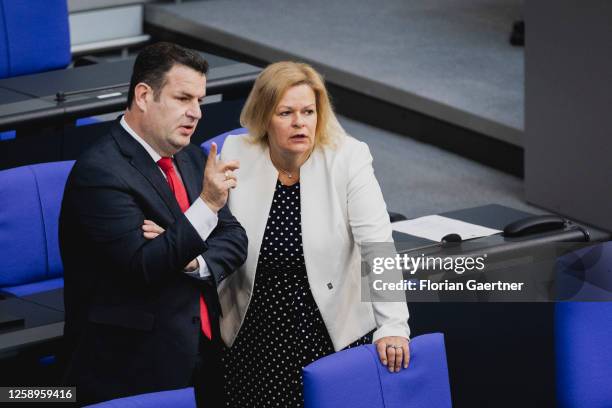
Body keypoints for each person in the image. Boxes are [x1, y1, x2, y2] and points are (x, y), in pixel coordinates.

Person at [59, 42, 248, 406]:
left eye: (200, 101)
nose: (196, 113)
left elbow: (234, 236)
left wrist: (191, 259)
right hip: (132, 368)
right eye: (183, 98)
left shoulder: (191, 157)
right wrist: (206, 207)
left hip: (201, 349)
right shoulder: (100, 172)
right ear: (144, 95)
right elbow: (144, 266)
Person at [219, 61, 410, 407]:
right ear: (264, 116)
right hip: (255, 331)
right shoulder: (236, 153)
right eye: (286, 112)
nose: (299, 122)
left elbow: (377, 246)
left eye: (308, 111)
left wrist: (394, 325)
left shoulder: (348, 157)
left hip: (329, 330)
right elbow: (210, 221)